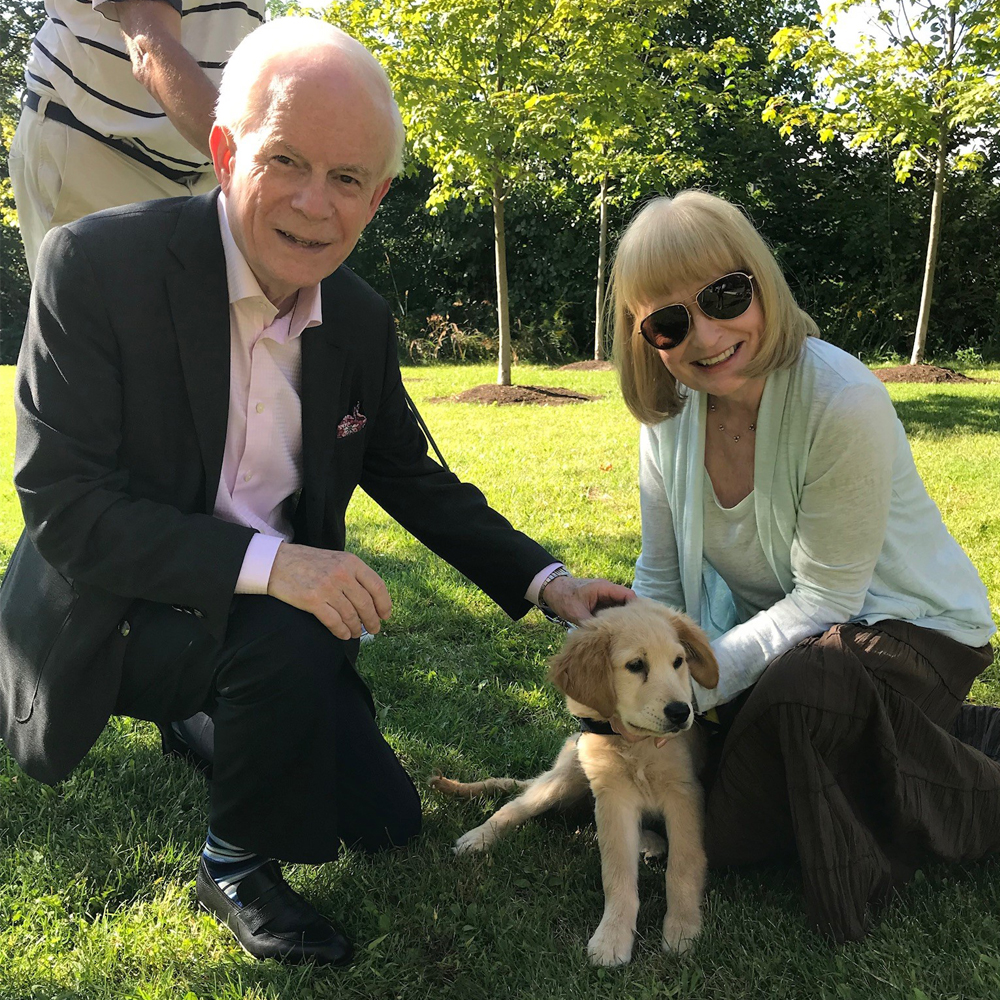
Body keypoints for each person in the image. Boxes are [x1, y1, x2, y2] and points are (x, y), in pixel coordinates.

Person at [0, 18, 632, 967]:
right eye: (285, 159)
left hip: (255, 618)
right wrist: (276, 565)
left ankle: (205, 714)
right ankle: (235, 866)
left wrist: (549, 582)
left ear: (377, 199)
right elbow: (64, 509)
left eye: (347, 179)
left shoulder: (360, 320)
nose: (313, 204)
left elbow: (411, 475)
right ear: (223, 150)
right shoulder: (96, 267)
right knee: (290, 628)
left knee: (382, 819)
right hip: (113, 607)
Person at [608, 189, 999, 943]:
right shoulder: (668, 426)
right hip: (808, 642)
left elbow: (827, 599)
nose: (709, 333)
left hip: (913, 633)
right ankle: (942, 741)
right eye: (670, 321)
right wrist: (636, 676)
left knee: (747, 778)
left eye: (726, 295)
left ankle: (961, 772)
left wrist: (691, 681)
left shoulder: (841, 399)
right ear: (645, 339)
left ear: (762, 282)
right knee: (709, 747)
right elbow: (657, 581)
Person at [8, 0, 266, 278]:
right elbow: (149, 50)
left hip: (208, 170)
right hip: (98, 152)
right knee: (104, 316)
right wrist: (262, 170)